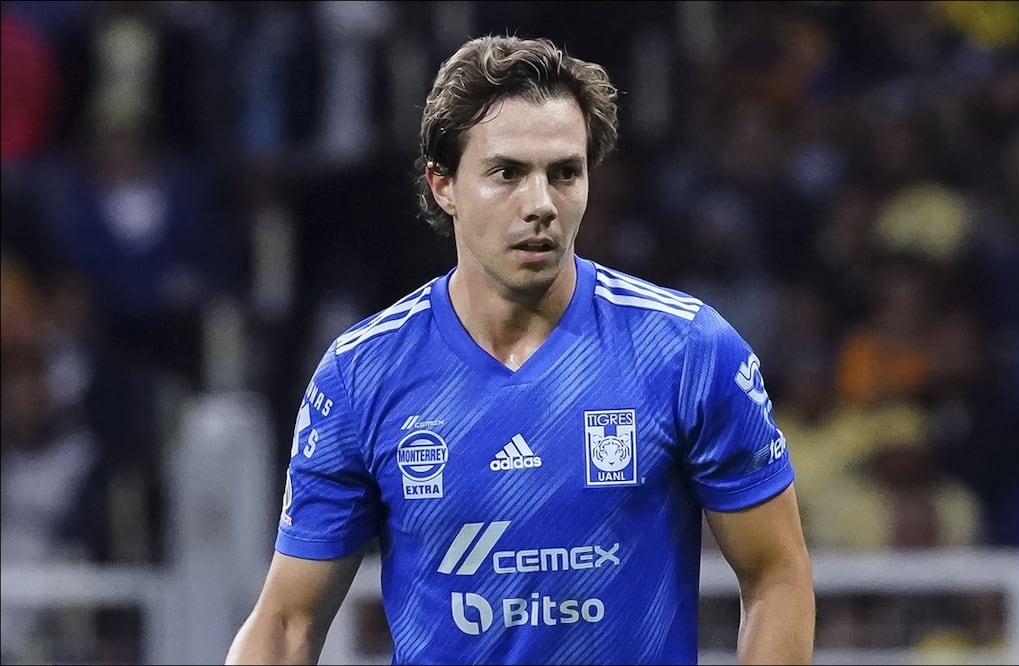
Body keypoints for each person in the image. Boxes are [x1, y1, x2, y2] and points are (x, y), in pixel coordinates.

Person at [226, 34, 815, 665]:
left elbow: (776, 577)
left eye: (565, 173)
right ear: (443, 184)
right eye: (507, 173)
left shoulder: (687, 352)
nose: (540, 205)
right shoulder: (362, 374)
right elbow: (286, 622)